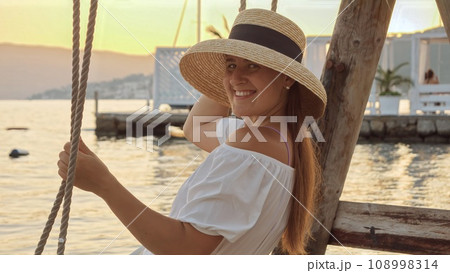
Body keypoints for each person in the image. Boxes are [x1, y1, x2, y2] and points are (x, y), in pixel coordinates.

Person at [57, 8, 327, 255]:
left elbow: (186, 249)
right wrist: (238, 84)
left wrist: (104, 185)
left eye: (253, 65)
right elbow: (196, 127)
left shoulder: (253, 145)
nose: (235, 76)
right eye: (230, 65)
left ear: (287, 77)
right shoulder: (279, 138)